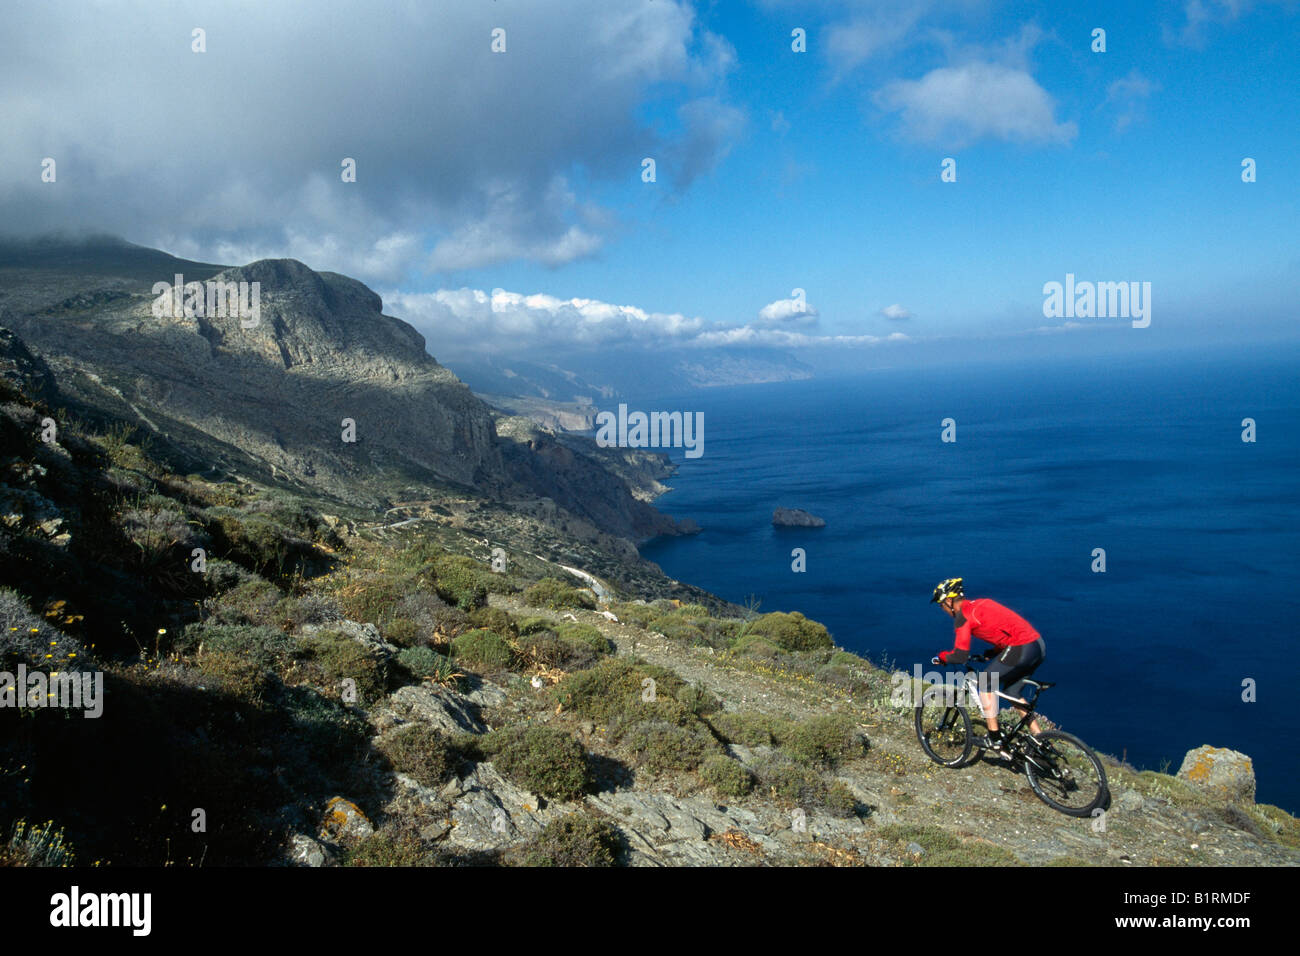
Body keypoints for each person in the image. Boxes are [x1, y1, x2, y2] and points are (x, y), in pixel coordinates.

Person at [930, 577, 1046, 752]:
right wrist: (991, 653)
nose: (943, 610)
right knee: (1012, 692)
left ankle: (994, 738)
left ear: (949, 601)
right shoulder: (983, 603)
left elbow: (960, 655)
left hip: (1021, 647)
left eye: (941, 605)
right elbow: (1004, 629)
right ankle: (1041, 740)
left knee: (985, 683)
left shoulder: (963, 618)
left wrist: (943, 657)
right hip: (1038, 645)